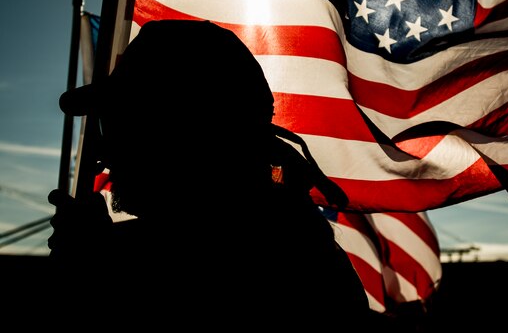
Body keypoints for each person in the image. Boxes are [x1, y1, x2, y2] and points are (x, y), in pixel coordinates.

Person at [46, 19, 402, 331]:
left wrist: (94, 276)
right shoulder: (288, 243)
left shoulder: (268, 265)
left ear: (189, 133)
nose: (106, 156)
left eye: (126, 125)